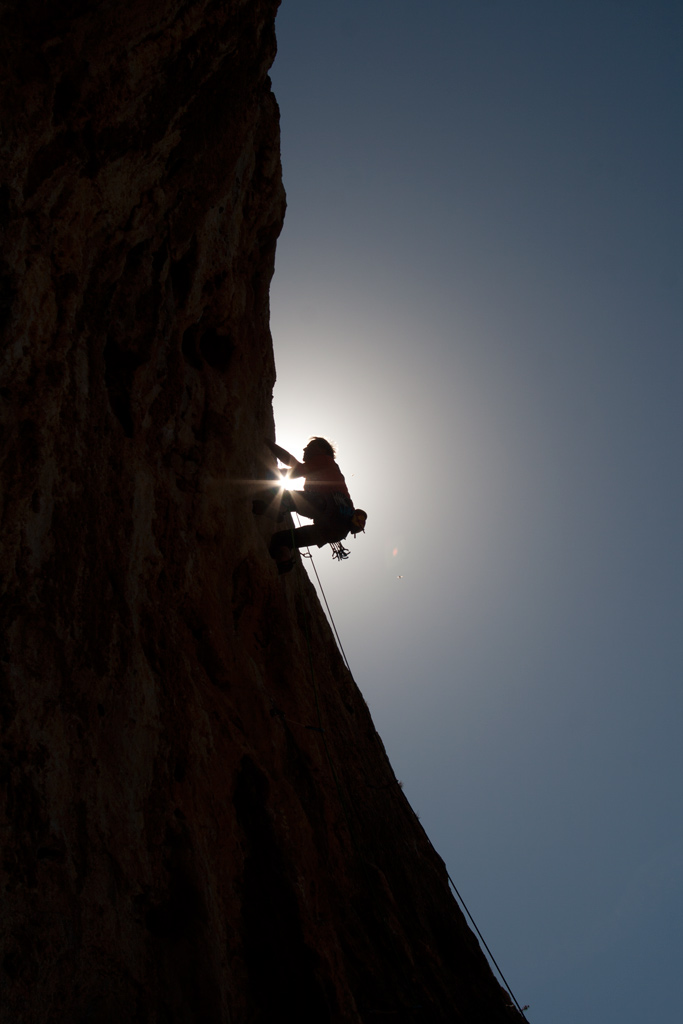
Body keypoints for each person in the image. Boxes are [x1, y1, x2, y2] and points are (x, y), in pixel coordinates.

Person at [254, 437, 365, 574]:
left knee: (285, 494)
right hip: (335, 531)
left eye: (310, 446)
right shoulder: (323, 467)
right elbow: (292, 462)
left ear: (322, 449)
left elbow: (295, 471)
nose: (304, 449)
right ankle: (284, 560)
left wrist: (267, 472)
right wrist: (271, 446)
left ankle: (278, 509)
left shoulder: (325, 460)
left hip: (328, 507)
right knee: (280, 540)